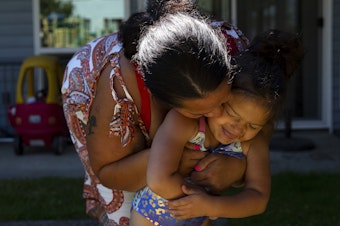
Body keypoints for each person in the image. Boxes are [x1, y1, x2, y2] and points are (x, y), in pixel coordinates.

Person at [62, 0, 251, 225]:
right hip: (89, 88)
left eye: (225, 102)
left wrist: (238, 167)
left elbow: (260, 121)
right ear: (166, 102)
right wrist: (166, 157)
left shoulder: (238, 51)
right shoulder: (117, 88)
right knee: (127, 215)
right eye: (203, 111)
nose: (221, 114)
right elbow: (108, 171)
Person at [160, 29, 304, 221]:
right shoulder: (185, 122)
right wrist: (194, 199)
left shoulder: (254, 144)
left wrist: (211, 206)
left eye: (253, 126)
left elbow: (259, 198)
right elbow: (158, 178)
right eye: (231, 114)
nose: (238, 129)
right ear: (220, 95)